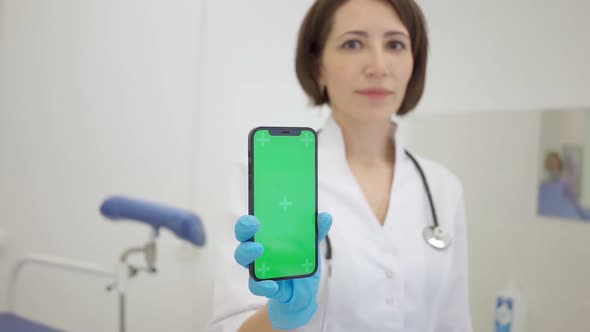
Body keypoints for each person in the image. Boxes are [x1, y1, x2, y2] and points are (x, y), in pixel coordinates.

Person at [208, 0, 473, 331]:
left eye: (395, 44)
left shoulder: (442, 187)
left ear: (413, 63)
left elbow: (455, 322)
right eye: (353, 43)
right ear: (317, 66)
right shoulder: (267, 175)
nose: (378, 66)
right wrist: (282, 317)